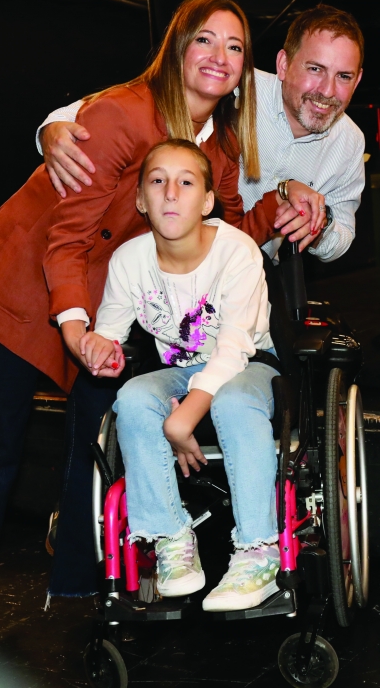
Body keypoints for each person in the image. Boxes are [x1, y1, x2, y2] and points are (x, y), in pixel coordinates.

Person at [0, 0, 278, 633]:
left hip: (98, 306)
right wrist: (76, 328)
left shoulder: (219, 151)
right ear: (177, 48)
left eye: (235, 47)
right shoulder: (118, 115)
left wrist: (282, 206)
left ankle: (83, 583)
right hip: (25, 284)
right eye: (205, 41)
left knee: (97, 433)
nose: (219, 57)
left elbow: (220, 234)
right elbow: (68, 239)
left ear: (244, 68)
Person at [82, 139, 283, 612]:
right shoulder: (130, 260)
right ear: (140, 200)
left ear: (207, 201)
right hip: (179, 371)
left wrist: (182, 421)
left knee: (232, 399)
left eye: (186, 182)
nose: (171, 192)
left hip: (251, 362)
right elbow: (110, 335)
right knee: (132, 396)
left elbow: (233, 349)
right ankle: (171, 538)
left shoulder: (237, 252)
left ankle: (258, 551)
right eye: (157, 181)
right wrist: (98, 347)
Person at [38, 4, 367, 260]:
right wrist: (52, 128)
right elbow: (125, 102)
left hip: (248, 268)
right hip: (163, 260)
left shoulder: (350, 143)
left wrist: (317, 224)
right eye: (315, 69)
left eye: (344, 77)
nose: (326, 90)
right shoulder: (235, 84)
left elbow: (343, 238)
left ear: (359, 79)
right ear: (283, 64)